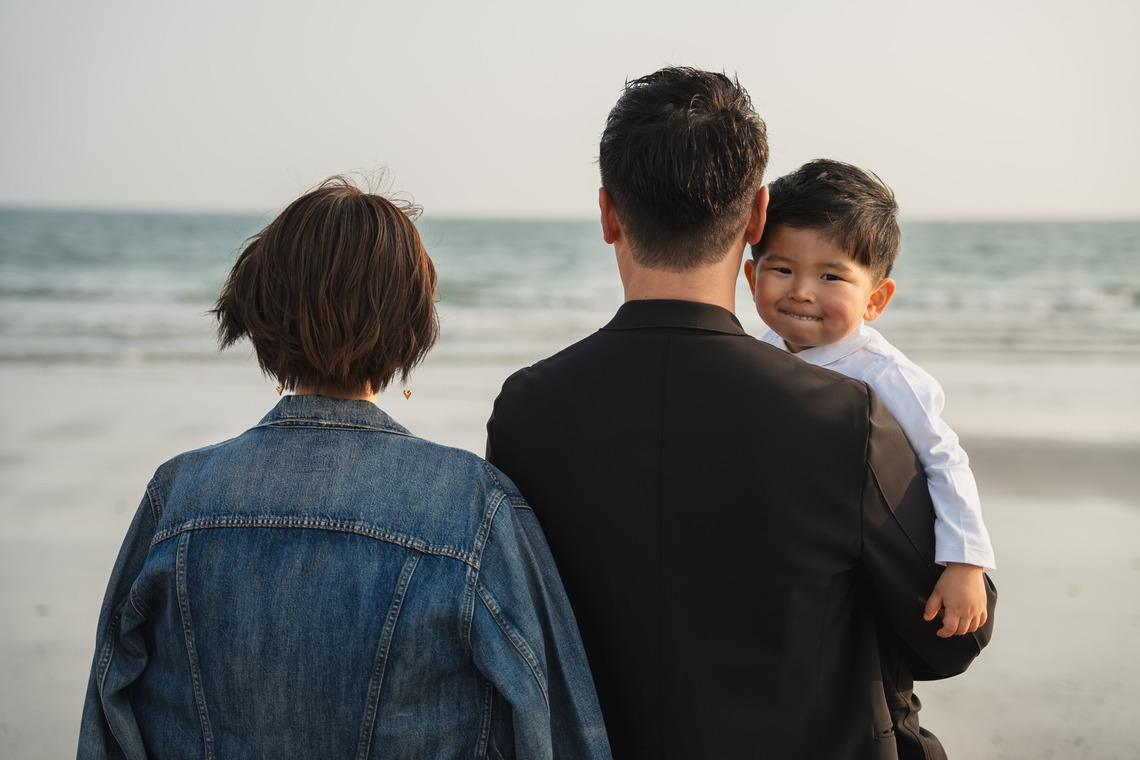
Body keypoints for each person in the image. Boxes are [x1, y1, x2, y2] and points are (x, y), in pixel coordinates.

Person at [485, 67, 995, 759]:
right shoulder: (847, 416)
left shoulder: (528, 410)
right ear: (757, 216)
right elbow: (951, 637)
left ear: (608, 213)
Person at [77, 177, 612, 760]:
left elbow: (108, 724)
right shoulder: (473, 512)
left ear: (259, 309)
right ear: (412, 326)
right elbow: (556, 729)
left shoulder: (177, 500)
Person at [744, 158, 995, 637]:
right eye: (782, 268)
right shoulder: (755, 357)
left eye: (831, 278)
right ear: (753, 278)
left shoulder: (883, 374)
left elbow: (943, 458)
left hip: (859, 560)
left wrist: (965, 563)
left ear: (875, 300)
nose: (801, 292)